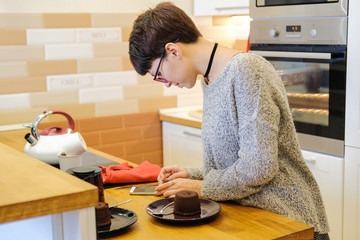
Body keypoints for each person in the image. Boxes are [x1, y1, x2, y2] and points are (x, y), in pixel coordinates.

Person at [128, 2, 330, 239]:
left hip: (289, 223)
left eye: (159, 75)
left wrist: (201, 187)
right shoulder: (210, 80)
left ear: (173, 51)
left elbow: (257, 169)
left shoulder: (247, 70)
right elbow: (231, 168)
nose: (166, 82)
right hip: (252, 220)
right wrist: (190, 175)